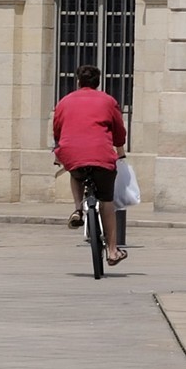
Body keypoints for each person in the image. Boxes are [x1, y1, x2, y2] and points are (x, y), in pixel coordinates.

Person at [52, 62, 128, 266]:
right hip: (101, 155)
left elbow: (57, 130)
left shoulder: (65, 101)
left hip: (72, 152)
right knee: (107, 201)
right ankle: (112, 251)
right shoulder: (108, 100)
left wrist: (59, 153)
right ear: (98, 82)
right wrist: (120, 153)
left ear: (78, 82)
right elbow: (119, 132)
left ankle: (77, 209)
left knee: (75, 172)